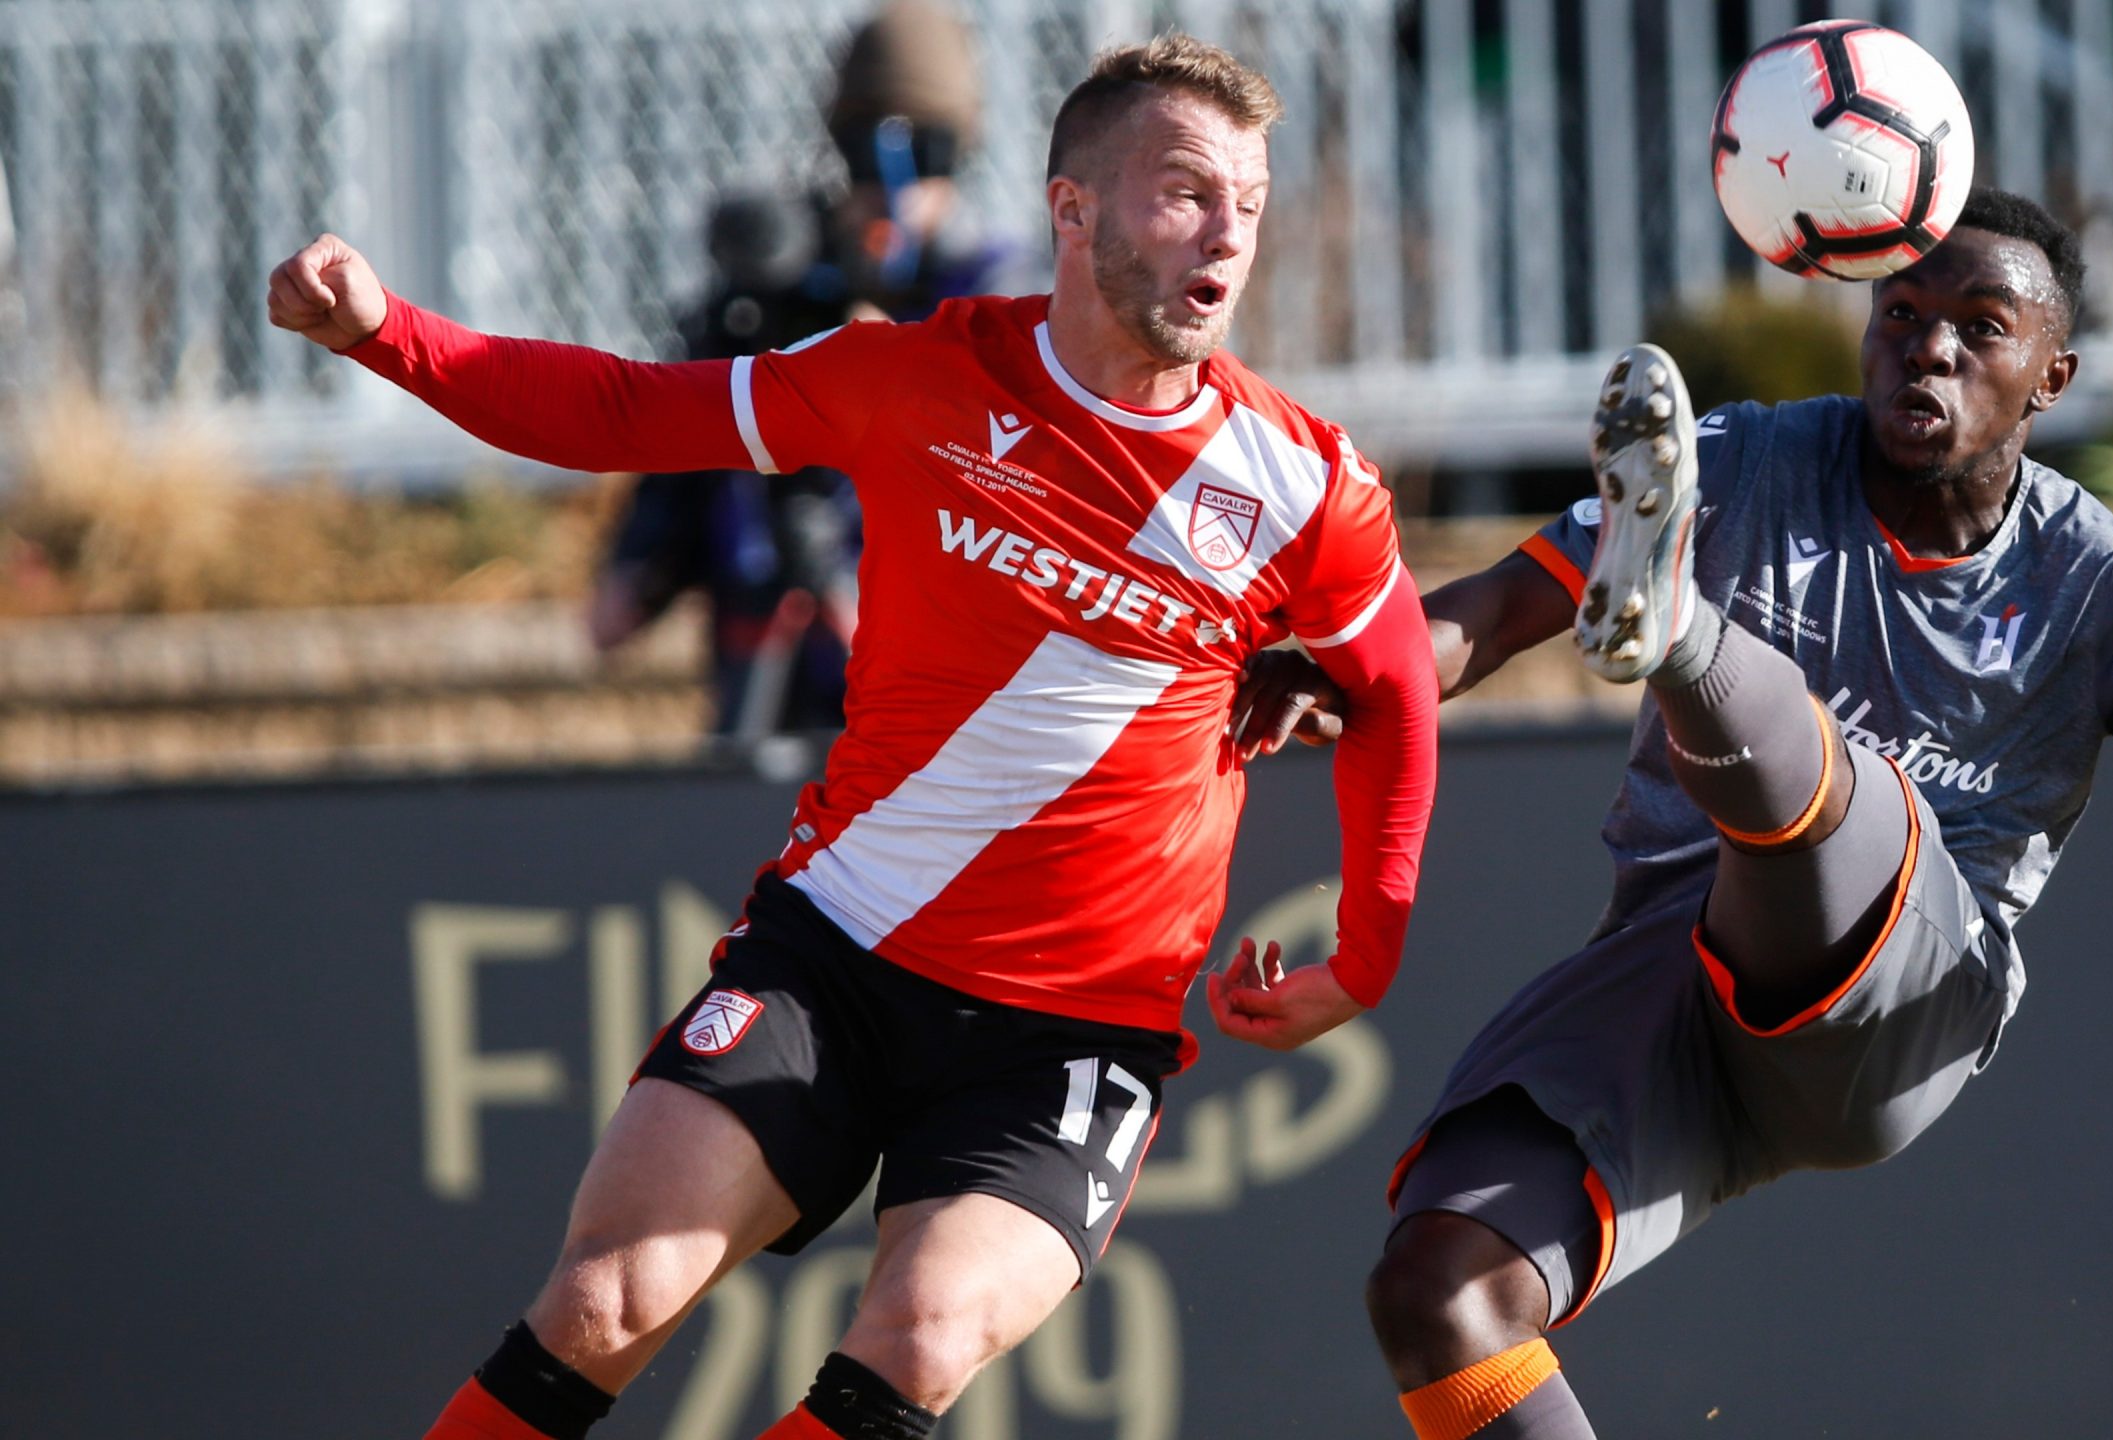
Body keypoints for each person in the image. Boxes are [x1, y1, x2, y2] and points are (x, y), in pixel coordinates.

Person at [267, 34, 1439, 1440]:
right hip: (835, 954)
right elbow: (629, 412)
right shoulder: (915, 377)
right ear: (1073, 208)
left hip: (1071, 1032)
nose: (1226, 234)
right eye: (1185, 192)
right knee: (603, 1305)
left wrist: (1368, 954)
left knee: (921, 1337)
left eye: (1247, 202)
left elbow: (1398, 687)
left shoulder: (1307, 483)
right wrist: (385, 331)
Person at [1231, 190, 2113, 1439]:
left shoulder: (2108, 581)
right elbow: (1485, 611)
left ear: (2051, 378)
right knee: (1439, 1292)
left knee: (1826, 787)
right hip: (1674, 978)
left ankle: (1677, 634)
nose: (1933, 347)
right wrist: (1351, 675)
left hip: (1908, 1000)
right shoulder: (1746, 459)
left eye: (1982, 326)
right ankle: (1668, 627)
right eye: (1902, 313)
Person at [593, 0, 1028, 737]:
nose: (892, 186)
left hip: (924, 686)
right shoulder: (789, 286)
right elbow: (694, 429)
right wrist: (648, 563)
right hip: (770, 651)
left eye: (929, 156)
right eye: (866, 151)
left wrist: (890, 376)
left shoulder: (997, 298)